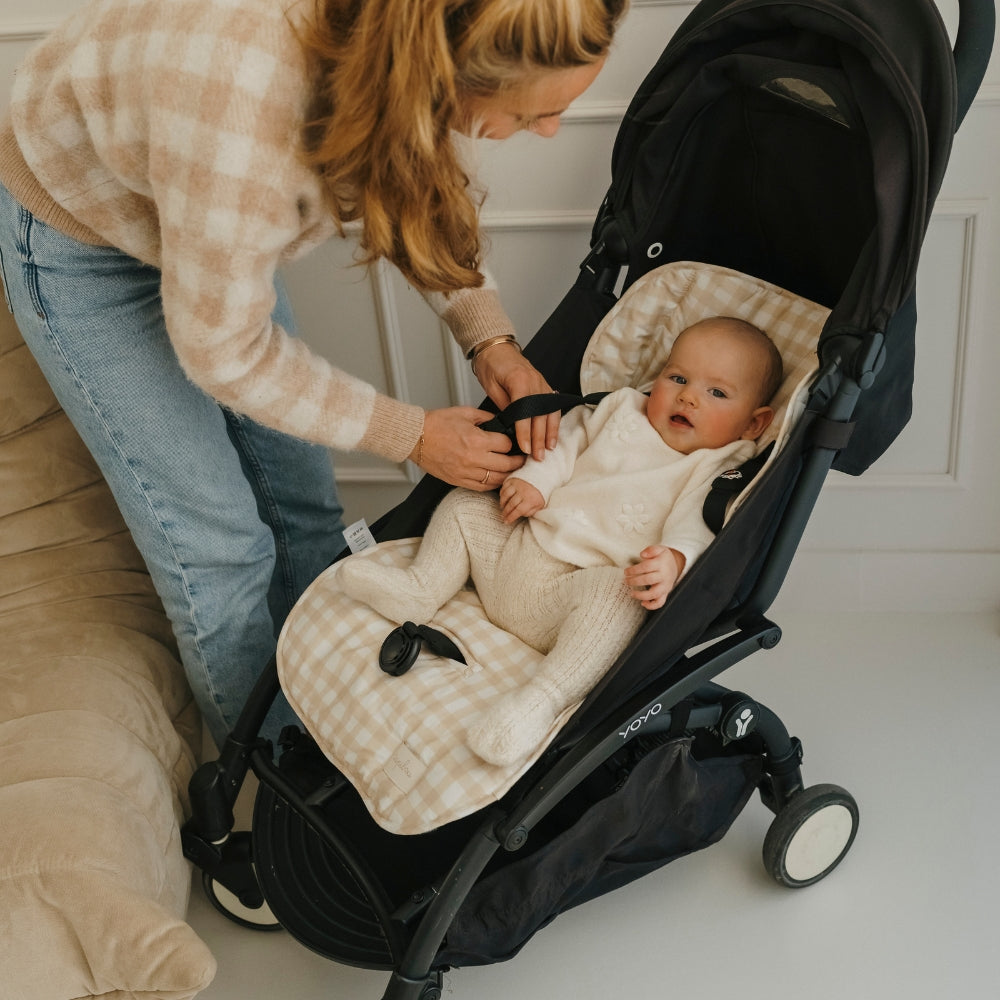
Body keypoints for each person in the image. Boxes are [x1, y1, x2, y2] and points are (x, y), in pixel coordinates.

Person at [0, 0, 626, 747]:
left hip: (195, 206)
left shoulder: (408, 40)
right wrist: (414, 434)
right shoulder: (246, 115)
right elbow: (225, 350)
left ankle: (323, 694)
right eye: (533, 117)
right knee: (221, 546)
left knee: (301, 502)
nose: (550, 131)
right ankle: (272, 774)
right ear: (453, 71)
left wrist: (489, 339)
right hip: (88, 240)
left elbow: (420, 186)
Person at [339, 316, 783, 766]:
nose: (688, 395)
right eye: (678, 377)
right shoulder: (622, 409)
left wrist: (673, 561)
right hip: (514, 556)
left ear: (754, 423)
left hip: (569, 602)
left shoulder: (718, 465)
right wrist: (536, 481)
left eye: (717, 393)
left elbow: (700, 526)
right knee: (469, 505)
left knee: (618, 597)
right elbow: (563, 443)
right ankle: (420, 588)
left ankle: (538, 702)